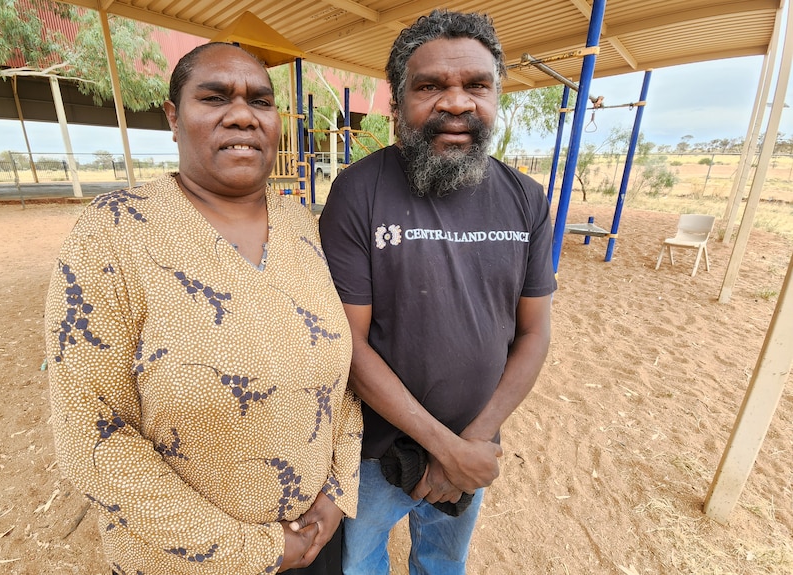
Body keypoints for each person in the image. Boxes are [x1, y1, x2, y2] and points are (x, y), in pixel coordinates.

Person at [45, 42, 361, 575]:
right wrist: (258, 550)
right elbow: (91, 437)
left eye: (261, 101)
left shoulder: (305, 225)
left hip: (314, 540)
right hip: (181, 561)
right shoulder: (112, 236)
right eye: (215, 98)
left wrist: (336, 490)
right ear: (173, 116)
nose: (242, 115)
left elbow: (342, 377)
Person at [318, 10, 557, 574]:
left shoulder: (526, 197)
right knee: (361, 561)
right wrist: (444, 449)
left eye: (477, 86)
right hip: (376, 451)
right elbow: (347, 344)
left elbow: (534, 332)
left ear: (496, 99)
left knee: (443, 563)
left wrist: (469, 446)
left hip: (477, 442)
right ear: (398, 106)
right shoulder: (358, 192)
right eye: (430, 87)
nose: (456, 103)